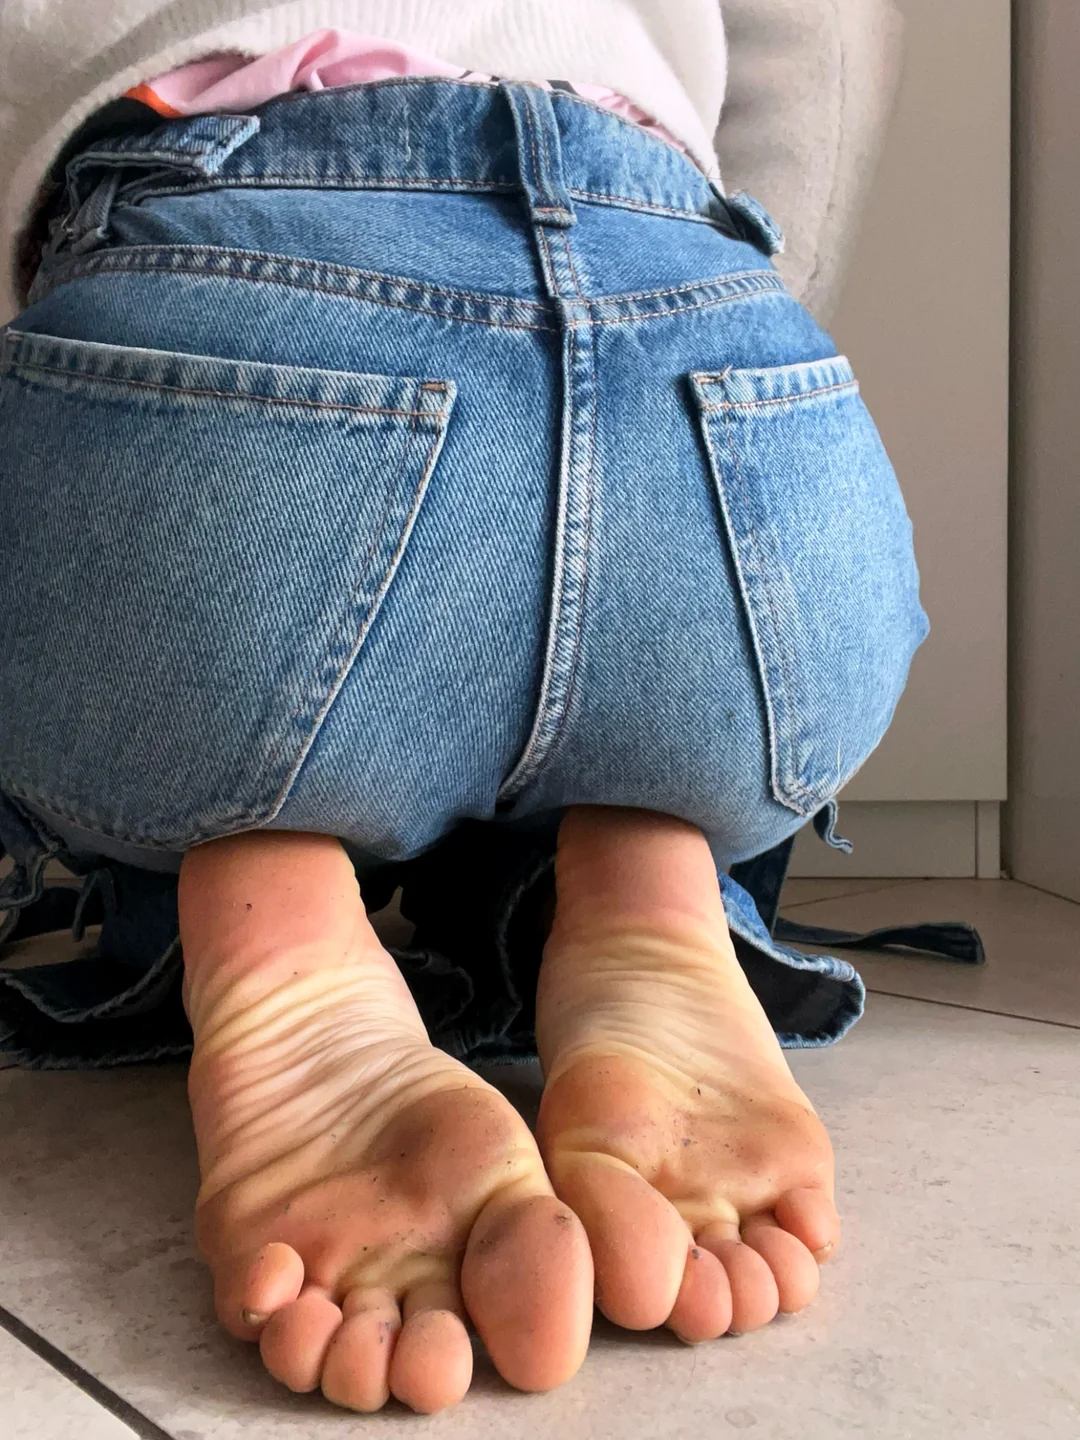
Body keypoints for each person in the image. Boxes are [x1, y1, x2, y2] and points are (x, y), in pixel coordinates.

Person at [0, 0, 931, 1416]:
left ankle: (267, 882)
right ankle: (648, 853)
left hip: (235, 334)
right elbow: (827, 41)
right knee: (666, 686)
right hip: (737, 412)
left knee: (158, 666)